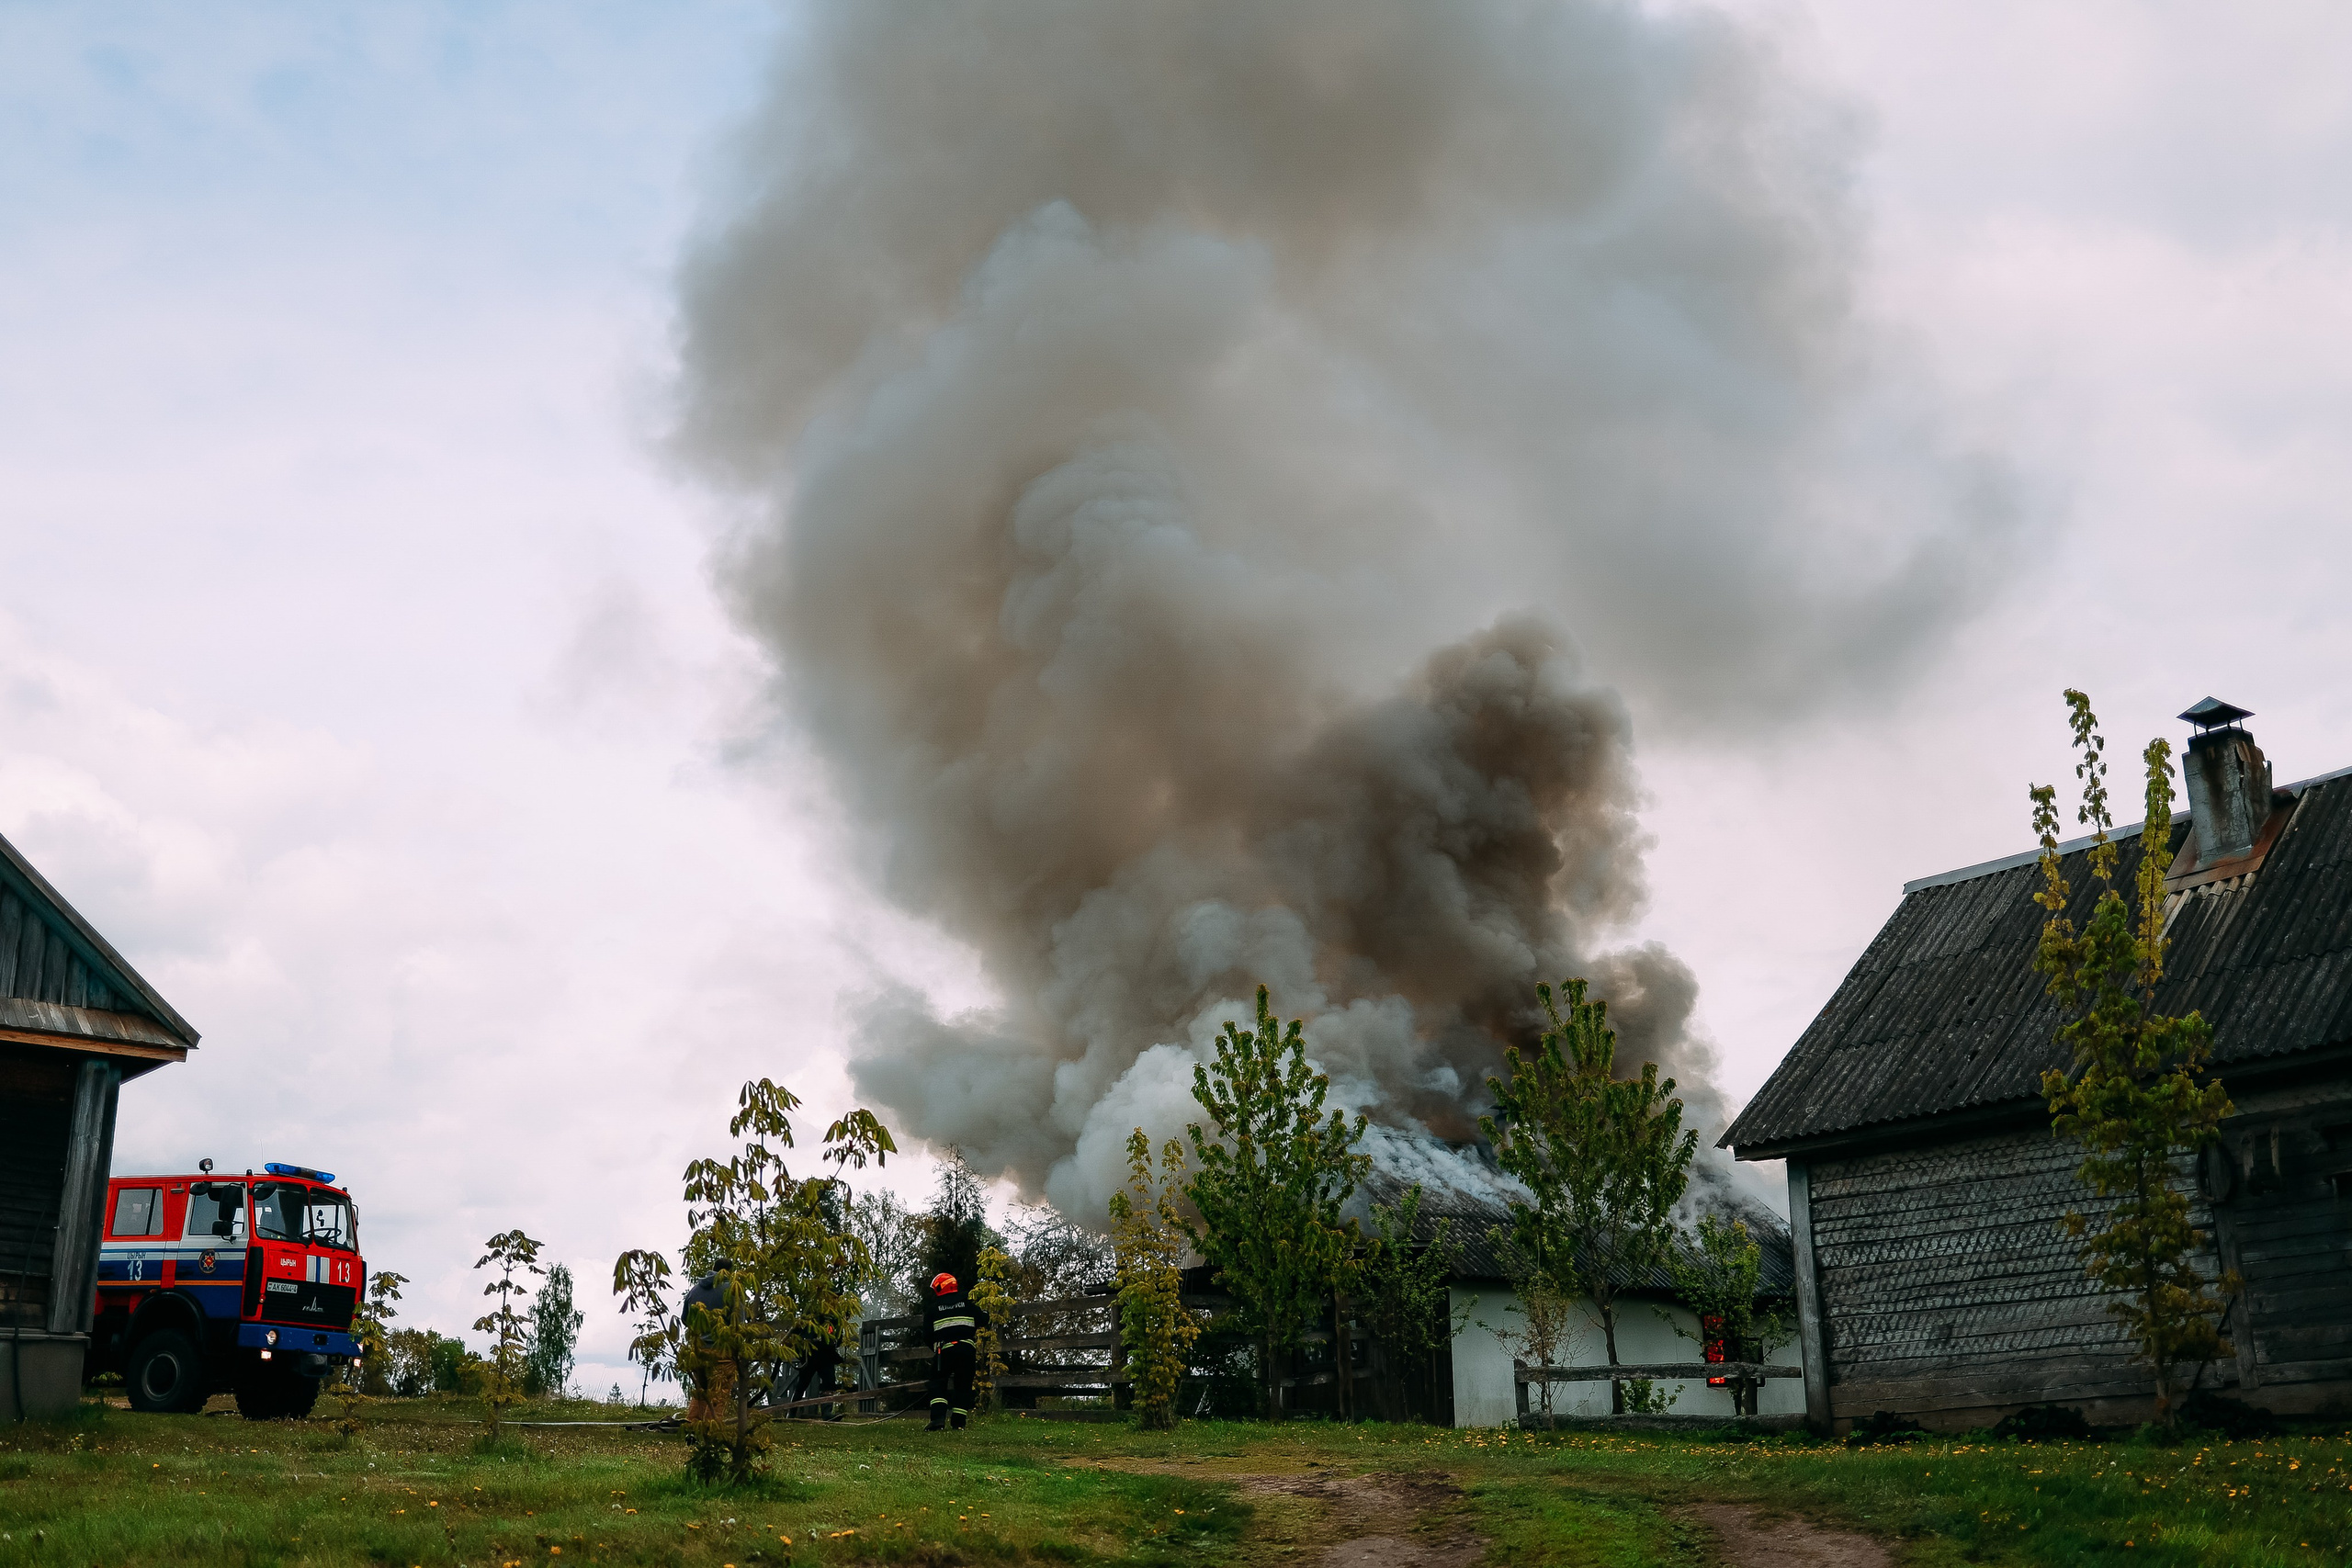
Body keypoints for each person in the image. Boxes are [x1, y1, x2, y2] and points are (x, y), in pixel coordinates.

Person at [923, 1270, 988, 1431]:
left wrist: (935, 1347)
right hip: (966, 1350)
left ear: (939, 1288)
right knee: (963, 1384)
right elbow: (984, 1319)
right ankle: (958, 1423)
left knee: (938, 1382)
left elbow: (926, 1335)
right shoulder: (967, 1304)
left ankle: (937, 1419)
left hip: (944, 1351)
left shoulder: (933, 1310)